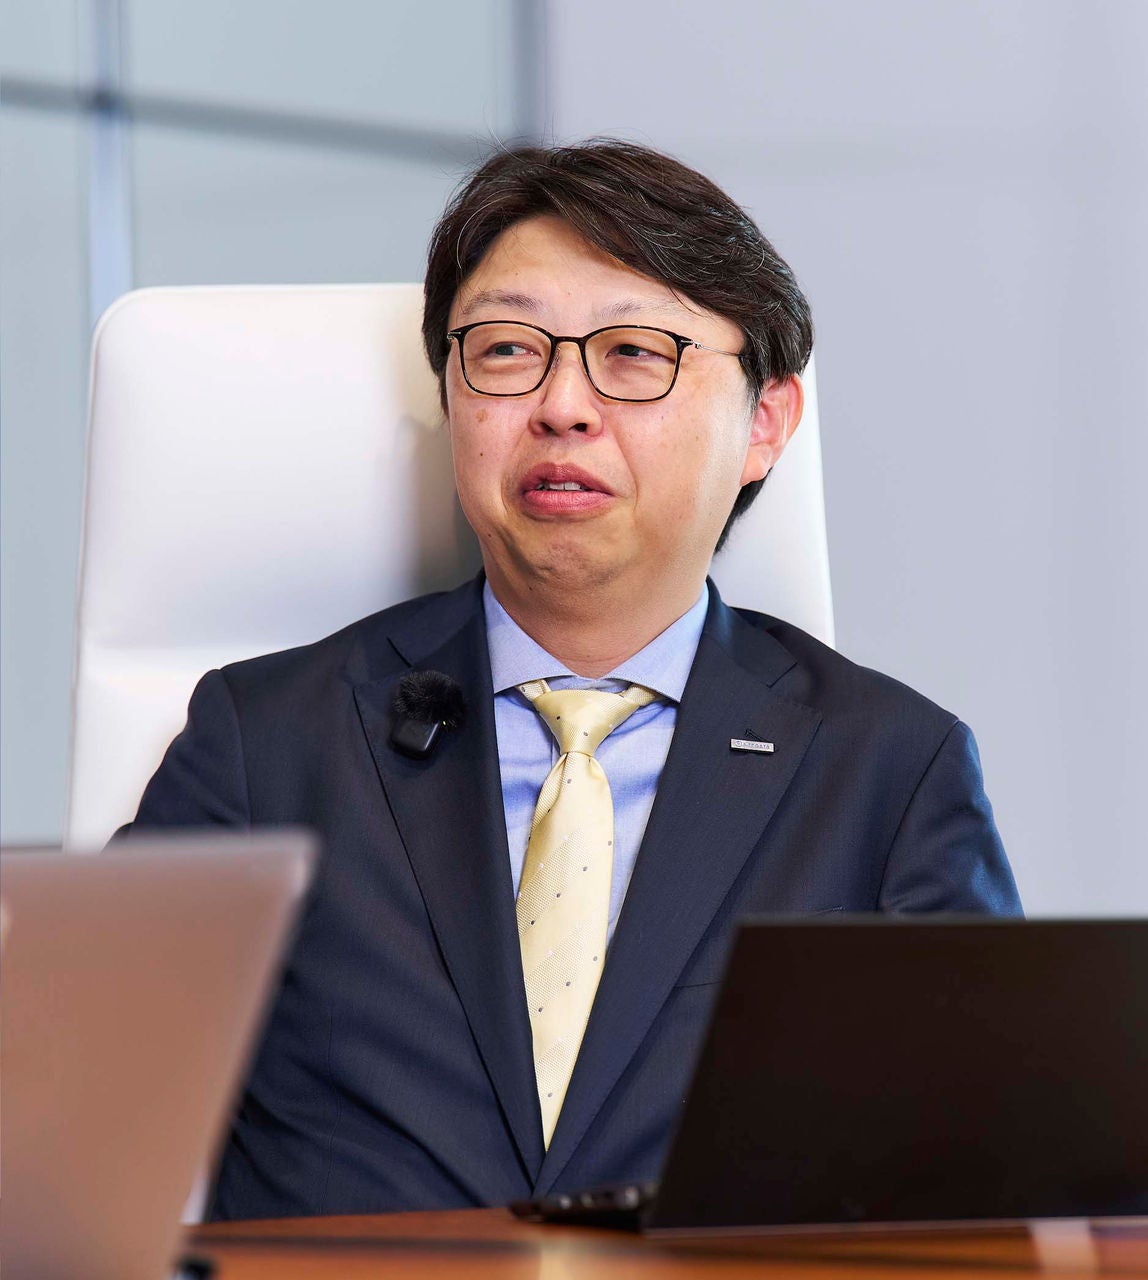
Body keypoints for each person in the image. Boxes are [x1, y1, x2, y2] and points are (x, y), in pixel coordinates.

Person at [124, 140, 1021, 1220]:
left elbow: (988, 1188)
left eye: (633, 354)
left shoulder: (888, 771)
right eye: (506, 349)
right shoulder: (264, 742)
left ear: (765, 424)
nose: (561, 405)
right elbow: (65, 1114)